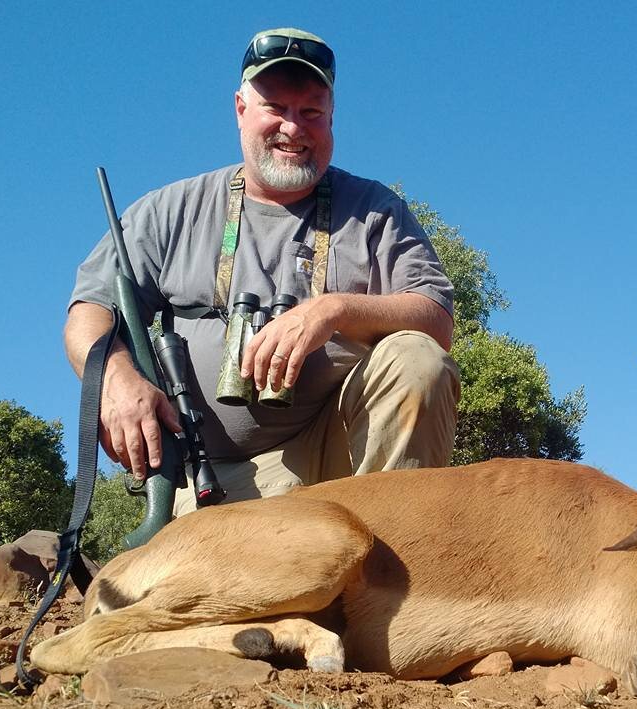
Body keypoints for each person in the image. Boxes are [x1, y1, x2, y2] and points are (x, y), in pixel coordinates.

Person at [66, 28, 460, 516]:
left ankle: (391, 562)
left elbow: (436, 319)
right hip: (211, 477)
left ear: (332, 117)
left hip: (336, 462)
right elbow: (89, 314)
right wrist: (118, 381)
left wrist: (333, 309)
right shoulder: (169, 210)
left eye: (311, 112)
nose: (293, 128)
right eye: (275, 107)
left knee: (416, 357)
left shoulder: (376, 210)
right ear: (240, 110)